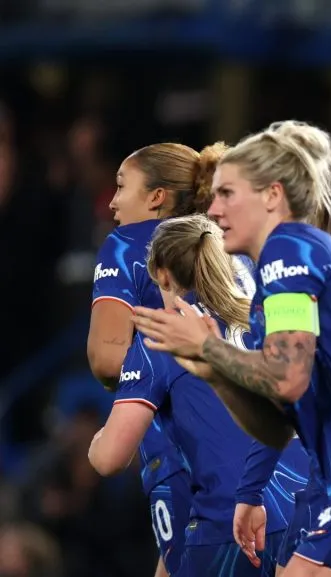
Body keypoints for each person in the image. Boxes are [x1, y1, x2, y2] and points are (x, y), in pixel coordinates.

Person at [131, 120, 331, 577]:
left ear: (271, 196)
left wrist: (209, 346)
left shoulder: (291, 255)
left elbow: (287, 378)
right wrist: (213, 372)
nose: (214, 208)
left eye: (228, 194)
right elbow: (278, 416)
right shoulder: (284, 268)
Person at [90, 213, 308, 576]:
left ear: (161, 274)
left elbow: (110, 458)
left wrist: (98, 440)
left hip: (230, 526)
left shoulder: (163, 337)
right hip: (305, 514)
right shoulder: (271, 313)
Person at [86, 142, 223, 577]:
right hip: (259, 458)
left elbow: (106, 359)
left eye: (122, 186)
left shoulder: (127, 244)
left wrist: (145, 376)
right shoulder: (226, 241)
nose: (111, 201)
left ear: (156, 197)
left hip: (177, 452)